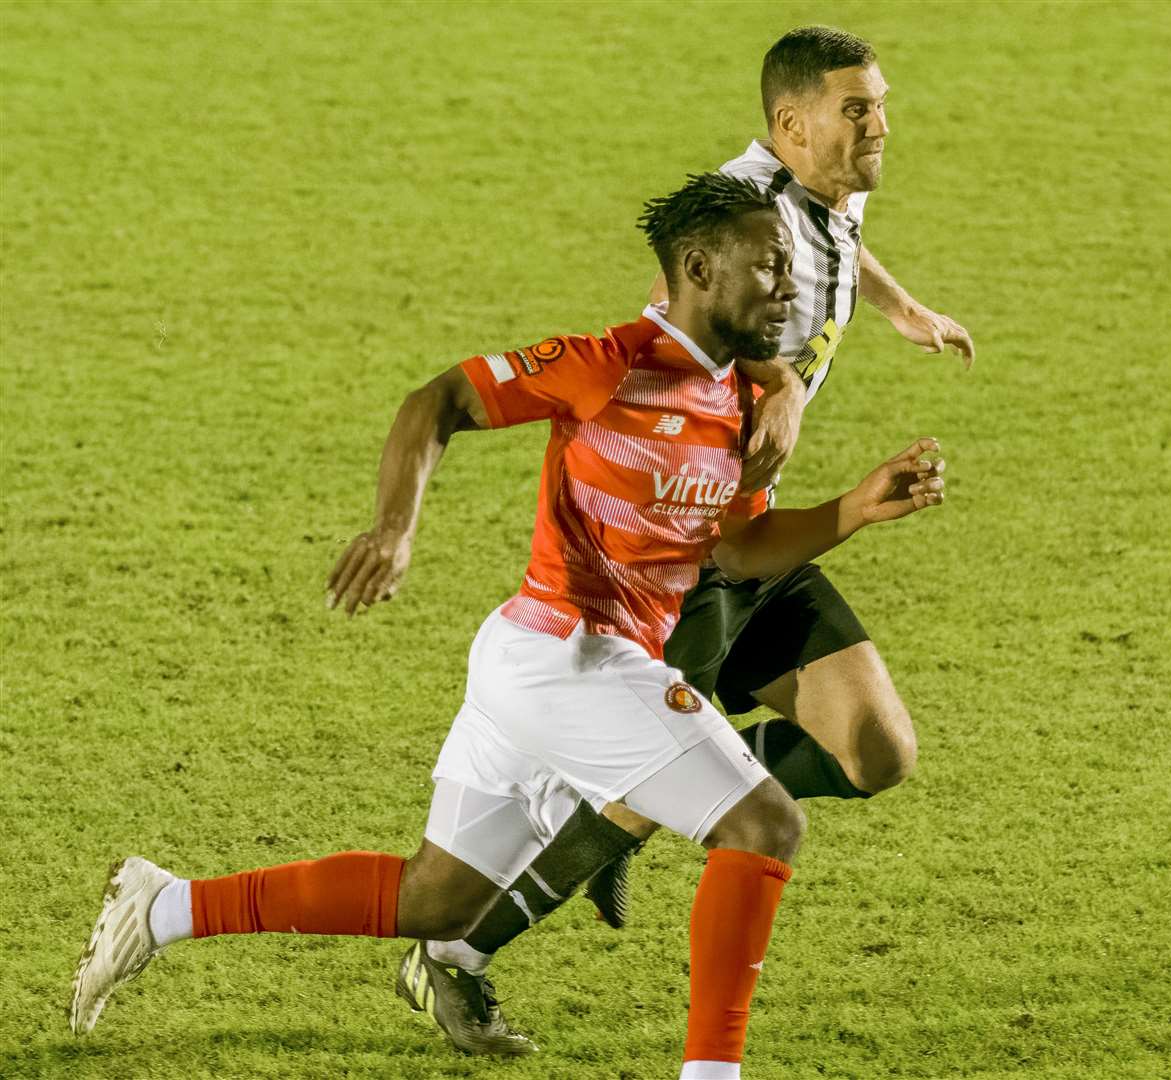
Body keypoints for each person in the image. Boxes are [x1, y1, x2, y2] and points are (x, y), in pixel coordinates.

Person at [68, 172, 947, 1080]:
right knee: (764, 827)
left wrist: (854, 509)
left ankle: (164, 905)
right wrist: (394, 529)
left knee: (437, 900)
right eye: (769, 269)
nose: (789, 291)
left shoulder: (743, 405)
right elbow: (437, 401)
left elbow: (738, 550)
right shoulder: (610, 363)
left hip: (542, 662)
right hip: (571, 657)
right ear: (697, 268)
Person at [394, 25, 977, 1054]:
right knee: (624, 796)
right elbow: (673, 334)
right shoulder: (742, 215)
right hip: (690, 555)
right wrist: (780, 379)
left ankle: (671, 796)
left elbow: (843, 243)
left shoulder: (835, 183)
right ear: (788, 128)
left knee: (876, 752)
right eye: (857, 110)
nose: (880, 125)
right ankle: (457, 954)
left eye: (878, 104)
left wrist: (901, 309)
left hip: (762, 533)